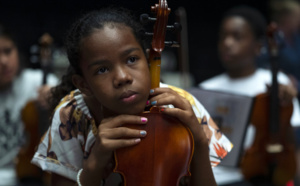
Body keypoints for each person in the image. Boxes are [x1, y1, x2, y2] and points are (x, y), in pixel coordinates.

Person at [31, 7, 233, 186]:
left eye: (132, 59)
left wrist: (198, 139)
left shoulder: (181, 106)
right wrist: (94, 163)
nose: (122, 77)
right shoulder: (71, 115)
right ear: (84, 84)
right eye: (102, 70)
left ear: (147, 60)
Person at [198, 6, 300, 186]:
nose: (227, 43)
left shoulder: (276, 82)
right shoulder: (205, 88)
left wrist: (285, 105)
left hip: (256, 176)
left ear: (258, 46)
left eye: (237, 37)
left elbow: (292, 142)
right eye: (223, 36)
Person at [0, 23, 58, 185]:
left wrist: (57, 99)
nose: (3, 61)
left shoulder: (38, 82)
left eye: (8, 51)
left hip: (31, 176)